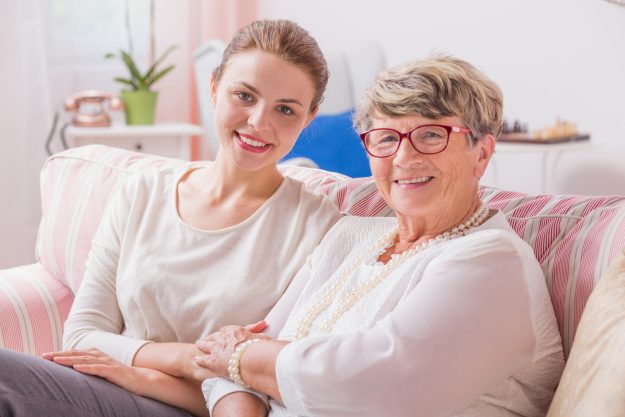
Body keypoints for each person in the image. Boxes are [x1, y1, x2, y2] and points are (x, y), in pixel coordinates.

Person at [0, 19, 341, 417]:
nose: (259, 122)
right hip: (110, 390)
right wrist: (182, 360)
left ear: (309, 118)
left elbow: (276, 383)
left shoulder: (318, 226)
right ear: (215, 88)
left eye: (285, 109)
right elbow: (82, 334)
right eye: (244, 96)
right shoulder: (142, 191)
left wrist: (145, 377)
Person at [195, 55, 565, 417]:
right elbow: (232, 373)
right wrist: (242, 367)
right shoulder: (349, 235)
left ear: (481, 153)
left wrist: (242, 357)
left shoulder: (493, 260)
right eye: (386, 138)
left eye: (431, 135)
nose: (404, 157)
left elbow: (375, 387)